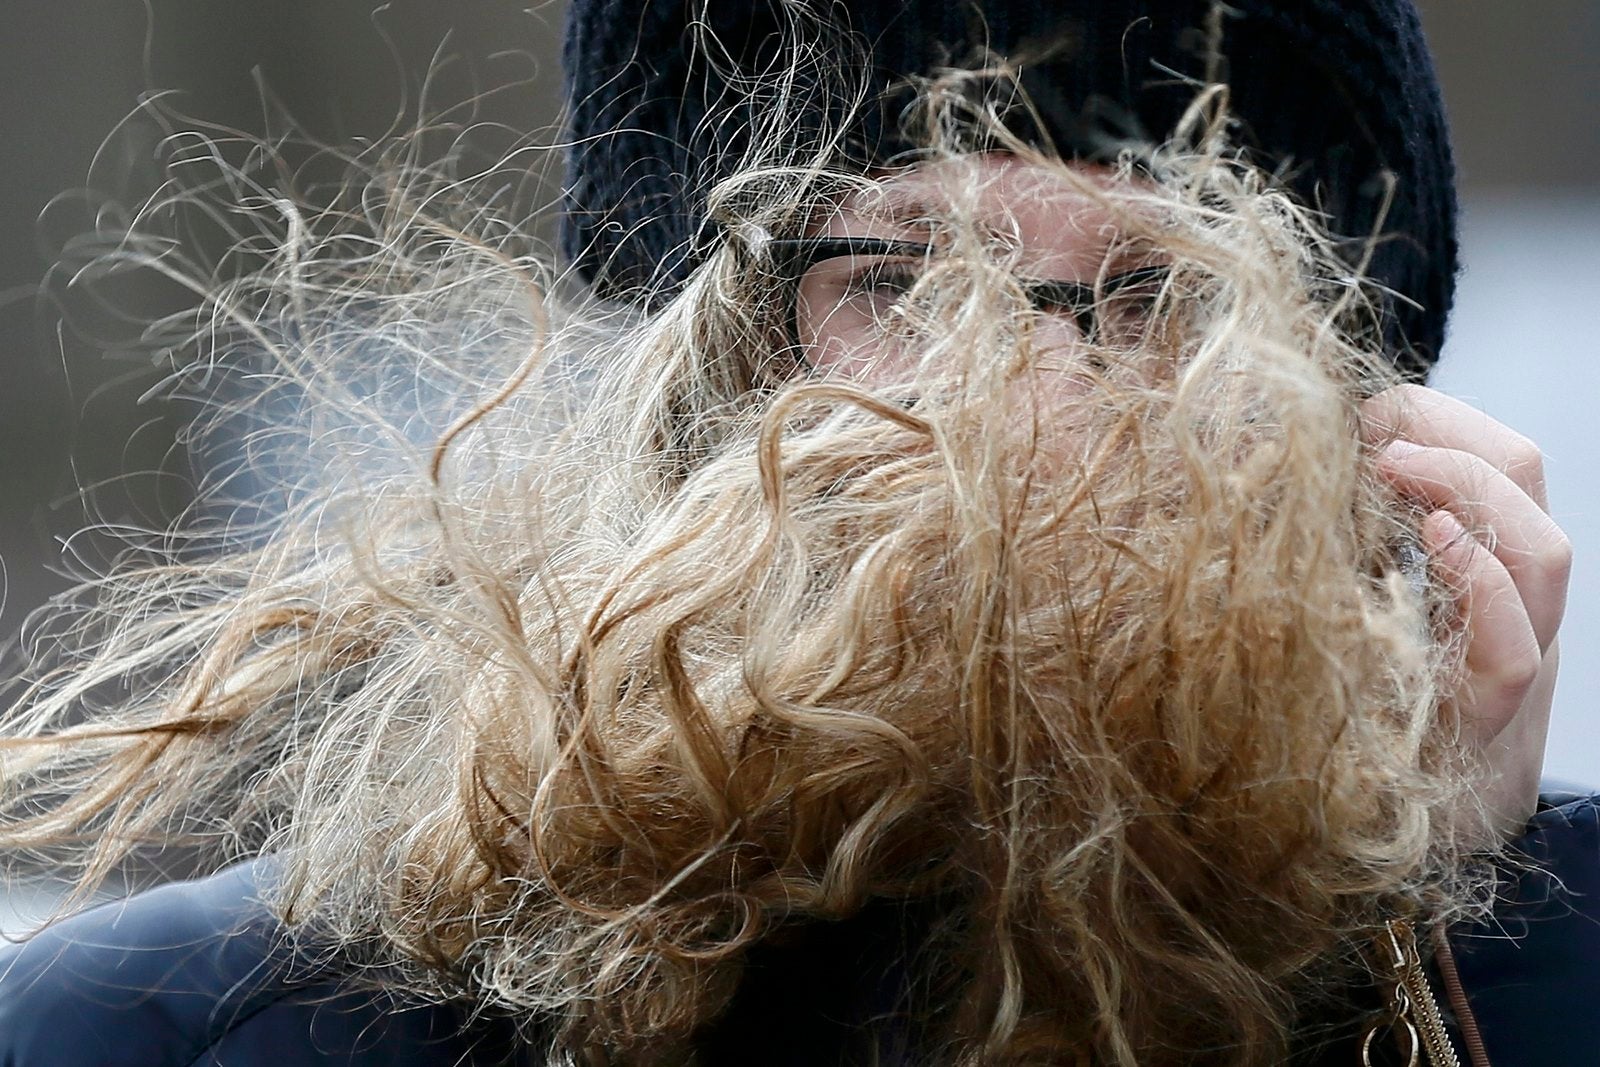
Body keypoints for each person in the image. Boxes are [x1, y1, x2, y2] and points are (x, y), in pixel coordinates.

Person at [0, 1, 1589, 1065]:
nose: (1028, 404)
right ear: (713, 381)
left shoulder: (1537, 968)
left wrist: (1428, 939)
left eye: (1156, 296)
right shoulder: (181, 1025)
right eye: (900, 284)